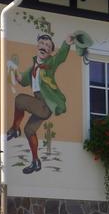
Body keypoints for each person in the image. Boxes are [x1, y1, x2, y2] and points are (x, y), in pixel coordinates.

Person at [7, 33, 76, 173]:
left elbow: (60, 57)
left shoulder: (50, 63)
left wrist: (67, 43)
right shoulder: (33, 67)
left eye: (48, 46)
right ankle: (35, 162)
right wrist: (13, 70)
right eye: (42, 44)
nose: (44, 47)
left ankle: (14, 129)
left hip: (46, 104)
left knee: (20, 99)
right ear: (37, 46)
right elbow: (22, 79)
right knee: (29, 130)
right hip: (38, 103)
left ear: (50, 51)